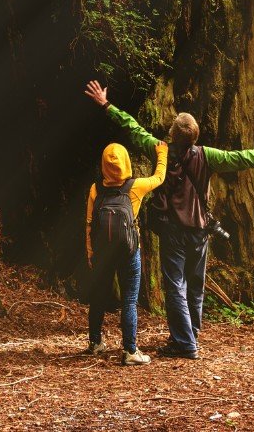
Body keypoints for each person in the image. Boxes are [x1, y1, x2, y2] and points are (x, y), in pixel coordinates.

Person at [84, 80, 254, 360]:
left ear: (173, 134)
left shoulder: (159, 149)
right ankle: (190, 333)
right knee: (194, 284)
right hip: (200, 229)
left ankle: (185, 342)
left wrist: (106, 105)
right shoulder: (206, 155)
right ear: (194, 137)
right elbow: (243, 158)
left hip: (173, 231)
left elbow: (132, 128)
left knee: (175, 284)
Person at [85, 137, 167, 365]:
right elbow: (159, 177)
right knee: (129, 300)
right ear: (126, 163)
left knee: (98, 297)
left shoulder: (95, 189)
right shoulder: (136, 187)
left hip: (102, 252)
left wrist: (90, 252)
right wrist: (162, 154)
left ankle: (95, 343)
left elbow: (90, 224)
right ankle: (130, 351)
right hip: (129, 251)